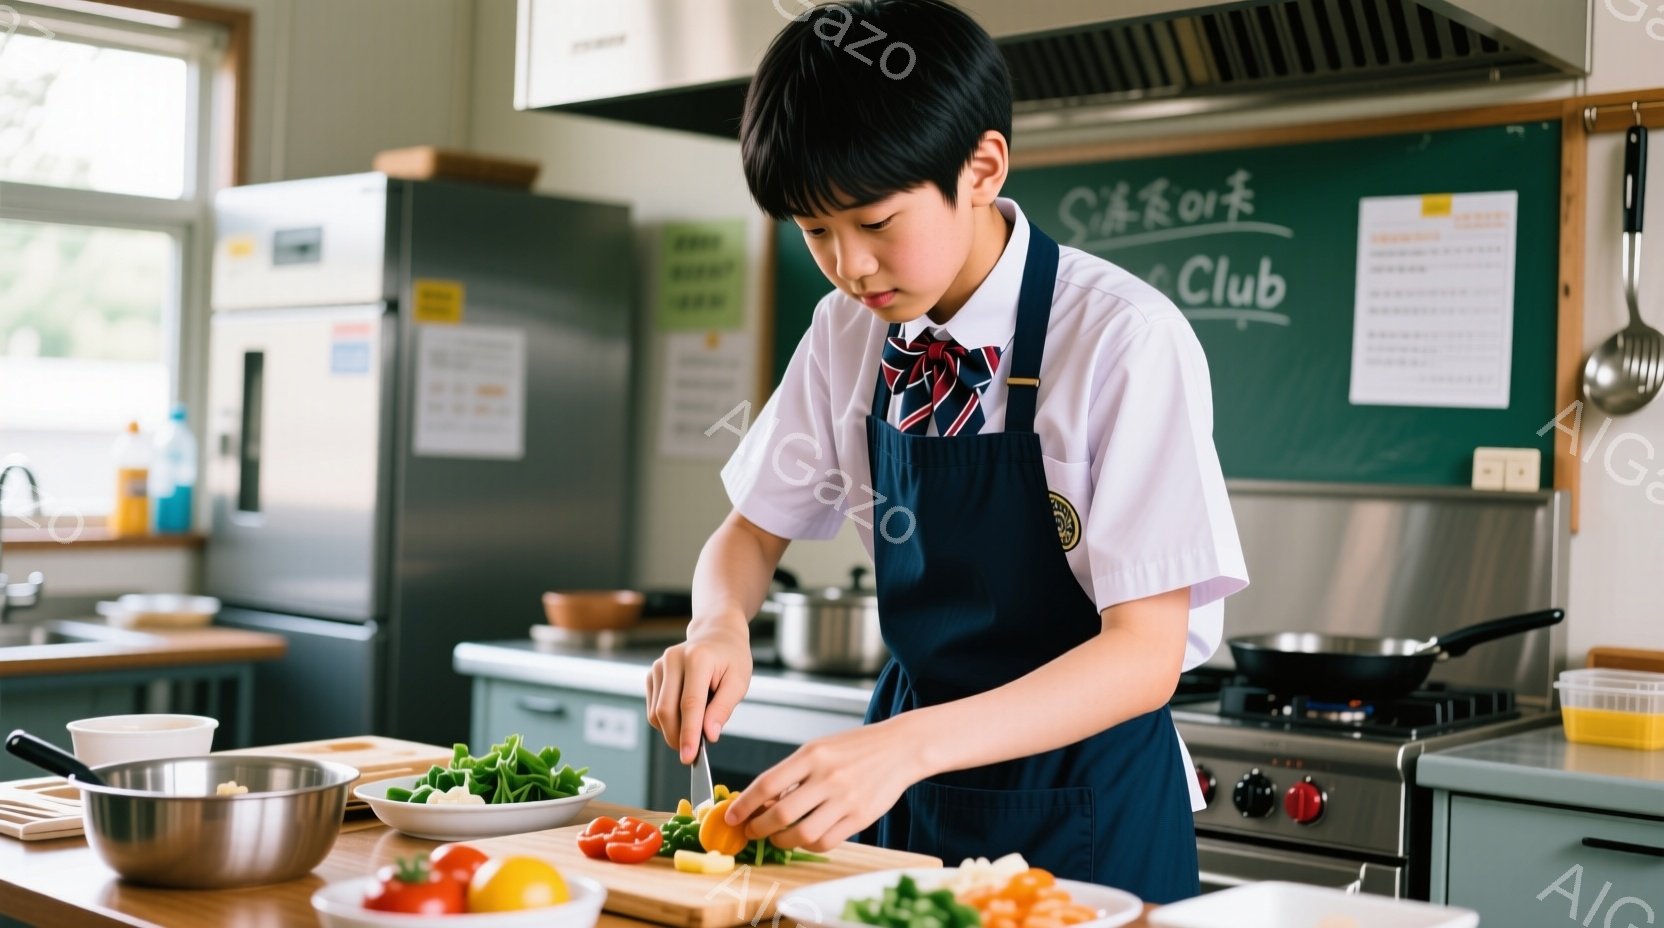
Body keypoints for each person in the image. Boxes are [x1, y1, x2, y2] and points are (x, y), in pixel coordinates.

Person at [645, 0, 1247, 903]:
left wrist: (902, 749)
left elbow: (1144, 655)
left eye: (876, 222)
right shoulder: (849, 331)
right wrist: (717, 626)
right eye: (815, 233)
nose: (850, 265)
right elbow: (749, 533)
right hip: (908, 796)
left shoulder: (1123, 340)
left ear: (981, 168)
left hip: (1083, 805)